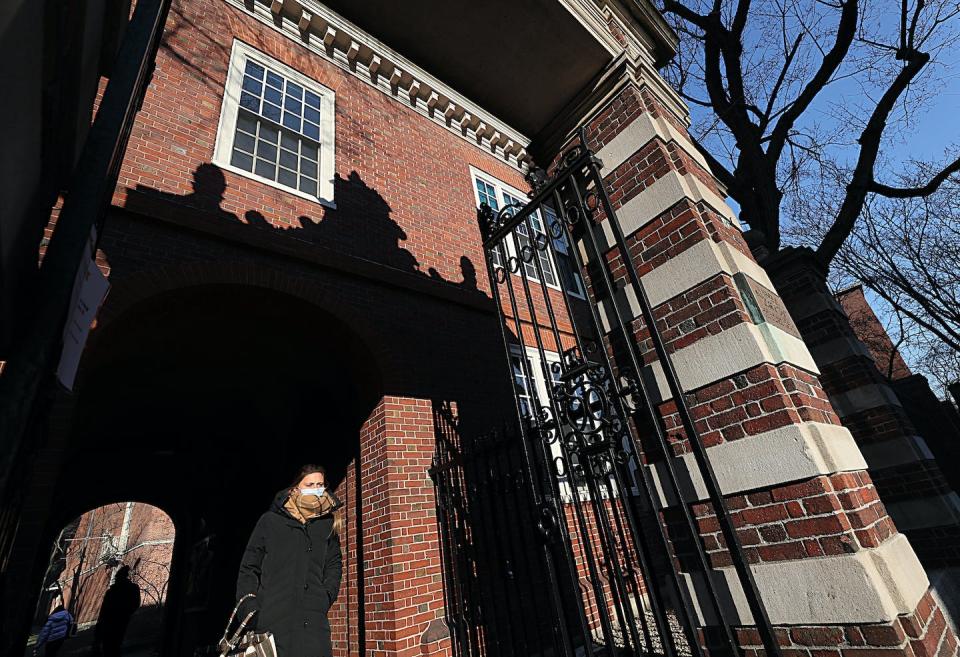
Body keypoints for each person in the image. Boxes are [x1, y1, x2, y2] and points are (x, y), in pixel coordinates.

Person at [236, 464, 343, 657]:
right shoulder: (269, 521)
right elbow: (249, 567)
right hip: (272, 623)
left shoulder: (327, 524)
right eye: (310, 484)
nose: (317, 489)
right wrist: (250, 608)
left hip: (314, 623)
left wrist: (326, 595)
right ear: (295, 489)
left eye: (320, 484)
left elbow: (334, 564)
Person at [94, 565, 141, 657]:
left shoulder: (111, 591)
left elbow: (103, 610)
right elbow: (135, 604)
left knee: (109, 646)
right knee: (115, 645)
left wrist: (99, 625)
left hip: (110, 621)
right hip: (121, 621)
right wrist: (126, 614)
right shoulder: (132, 588)